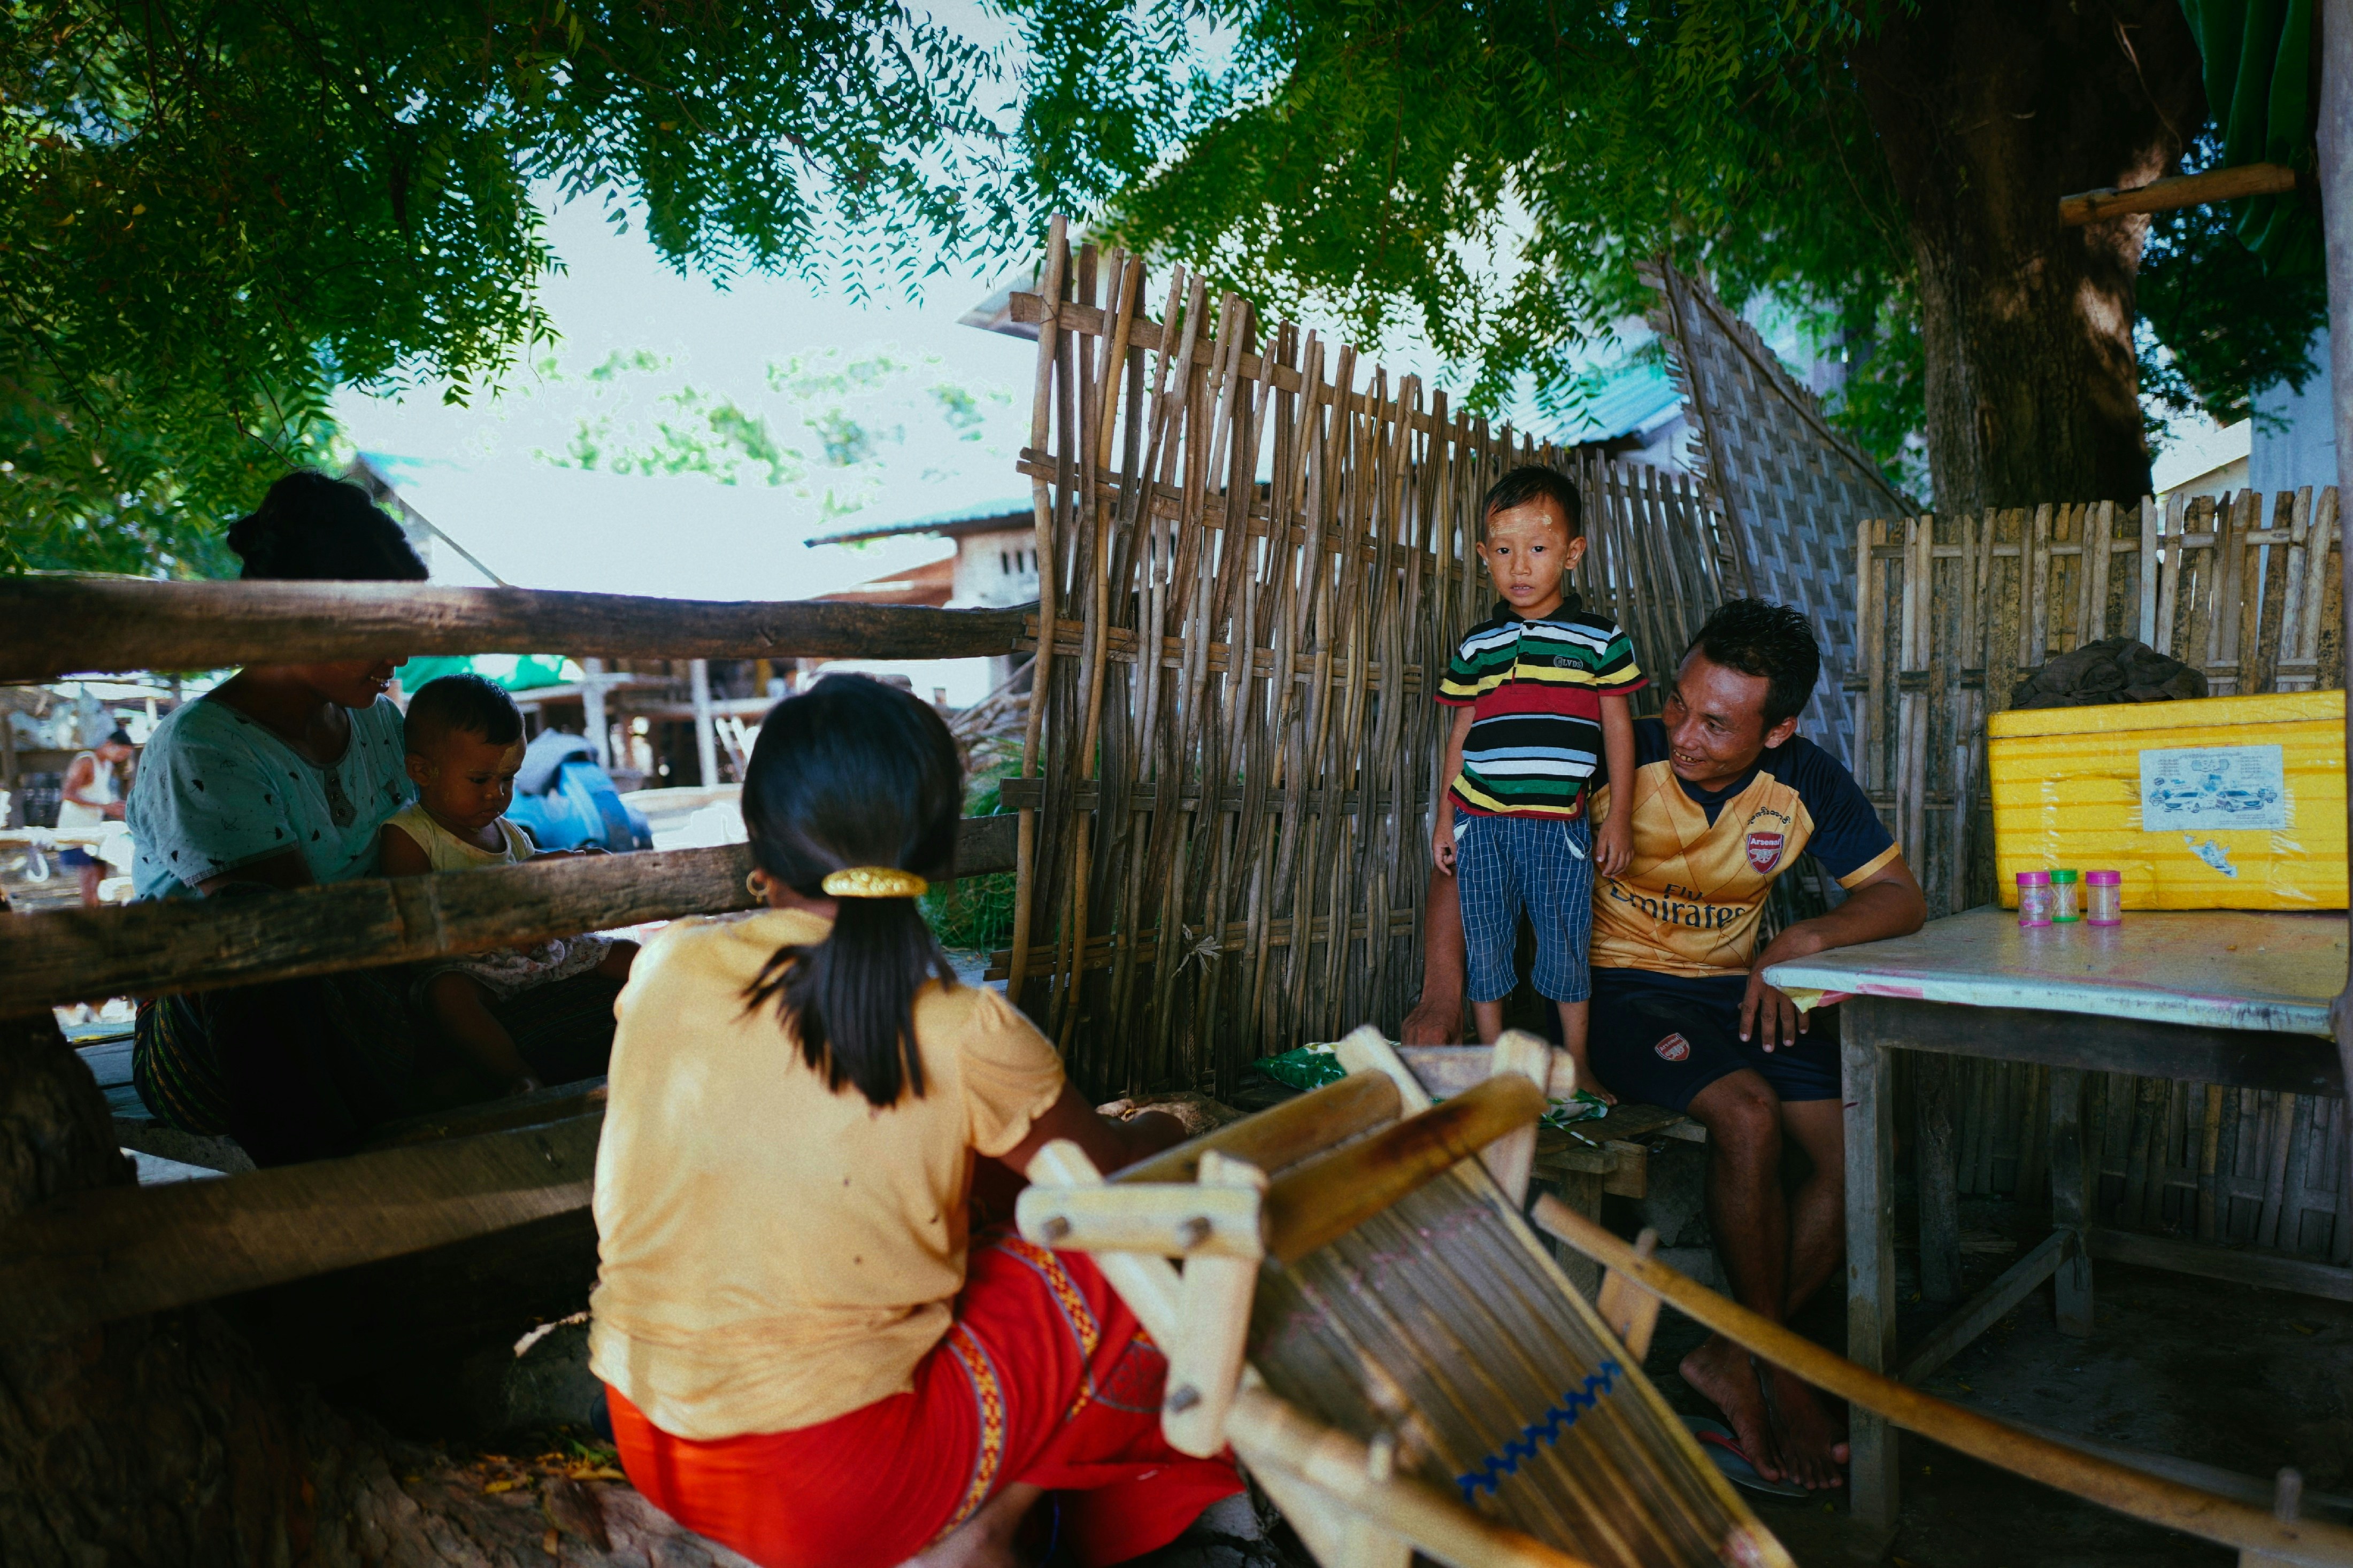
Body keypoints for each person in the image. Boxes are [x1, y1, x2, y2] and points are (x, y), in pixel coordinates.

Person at [590, 674, 1244, 1568]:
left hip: (651, 1436)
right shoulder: (962, 1027)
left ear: (763, 841)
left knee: (981, 1216)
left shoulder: (666, 967)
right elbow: (1112, 1191)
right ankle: (983, 1532)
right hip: (828, 1489)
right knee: (1133, 1251)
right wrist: (1174, 1134)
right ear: (934, 852)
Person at [1403, 599, 1926, 1492]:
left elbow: (1899, 897)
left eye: (1718, 723)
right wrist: (1439, 995)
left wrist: (1799, 941)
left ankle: (1730, 1355)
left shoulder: (1807, 780)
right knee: (1748, 1115)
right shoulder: (1613, 753)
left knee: (1860, 1140)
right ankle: (1781, 1369)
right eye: (1681, 704)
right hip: (1622, 992)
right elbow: (1478, 852)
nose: (1684, 733)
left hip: (1739, 991)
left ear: (1779, 730)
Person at [125, 471, 624, 1165]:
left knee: (623, 998)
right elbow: (305, 938)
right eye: (382, 632)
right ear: (299, 616)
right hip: (245, 1034)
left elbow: (440, 852)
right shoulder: (205, 748)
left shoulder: (383, 726)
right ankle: (329, 1164)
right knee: (259, 926)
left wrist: (533, 885)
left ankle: (439, 1086)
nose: (401, 656)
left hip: (394, 984)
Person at [1431, 465, 1642, 1096]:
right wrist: (1445, 816)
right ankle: (1498, 1064)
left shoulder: (1599, 640)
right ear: (1483, 555)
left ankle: (1573, 1060)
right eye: (1502, 549)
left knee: (1563, 943)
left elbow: (1618, 731)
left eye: (1538, 548)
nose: (1518, 565)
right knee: (1487, 943)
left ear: (1572, 553)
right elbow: (1461, 733)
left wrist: (1620, 816)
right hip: (1480, 820)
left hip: (1560, 824)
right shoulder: (1477, 645)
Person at [381, 674, 638, 1097]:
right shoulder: (409, 835)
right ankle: (514, 1076)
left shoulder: (507, 831)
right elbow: (414, 917)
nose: (496, 795)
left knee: (626, 954)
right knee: (448, 997)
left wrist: (571, 865)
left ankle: (676, 1020)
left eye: (508, 779)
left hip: (538, 948)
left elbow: (528, 868)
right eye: (480, 780)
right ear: (422, 771)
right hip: (469, 963)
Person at [57, 727, 136, 906]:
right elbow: (67, 794)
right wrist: (104, 806)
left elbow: (100, 795)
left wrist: (119, 807)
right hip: (75, 828)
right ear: (109, 744)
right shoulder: (86, 761)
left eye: (125, 756)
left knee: (101, 875)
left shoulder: (107, 765)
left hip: (95, 829)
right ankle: (91, 918)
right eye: (121, 753)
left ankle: (99, 915)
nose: (121, 758)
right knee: (88, 878)